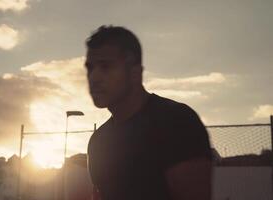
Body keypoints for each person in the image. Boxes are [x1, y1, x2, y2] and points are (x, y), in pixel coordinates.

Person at [85, 25, 213, 200]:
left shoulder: (177, 122)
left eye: (105, 66)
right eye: (90, 68)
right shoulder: (98, 141)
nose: (94, 77)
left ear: (135, 72)